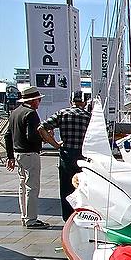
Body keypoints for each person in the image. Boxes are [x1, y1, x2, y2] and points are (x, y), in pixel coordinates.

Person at [38, 90, 92, 222]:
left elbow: (41, 128)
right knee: (82, 185)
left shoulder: (62, 113)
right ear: (84, 102)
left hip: (66, 153)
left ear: (71, 101)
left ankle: (67, 217)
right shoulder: (88, 116)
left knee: (66, 187)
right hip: (83, 155)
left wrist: (55, 144)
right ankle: (81, 213)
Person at [4, 86, 49, 229]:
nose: (40, 102)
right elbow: (32, 136)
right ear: (33, 100)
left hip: (18, 154)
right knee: (32, 187)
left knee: (22, 186)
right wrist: (44, 138)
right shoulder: (31, 114)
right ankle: (31, 219)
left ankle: (25, 216)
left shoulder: (15, 113)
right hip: (30, 153)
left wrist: (10, 156)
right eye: (38, 99)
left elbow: (7, 135)